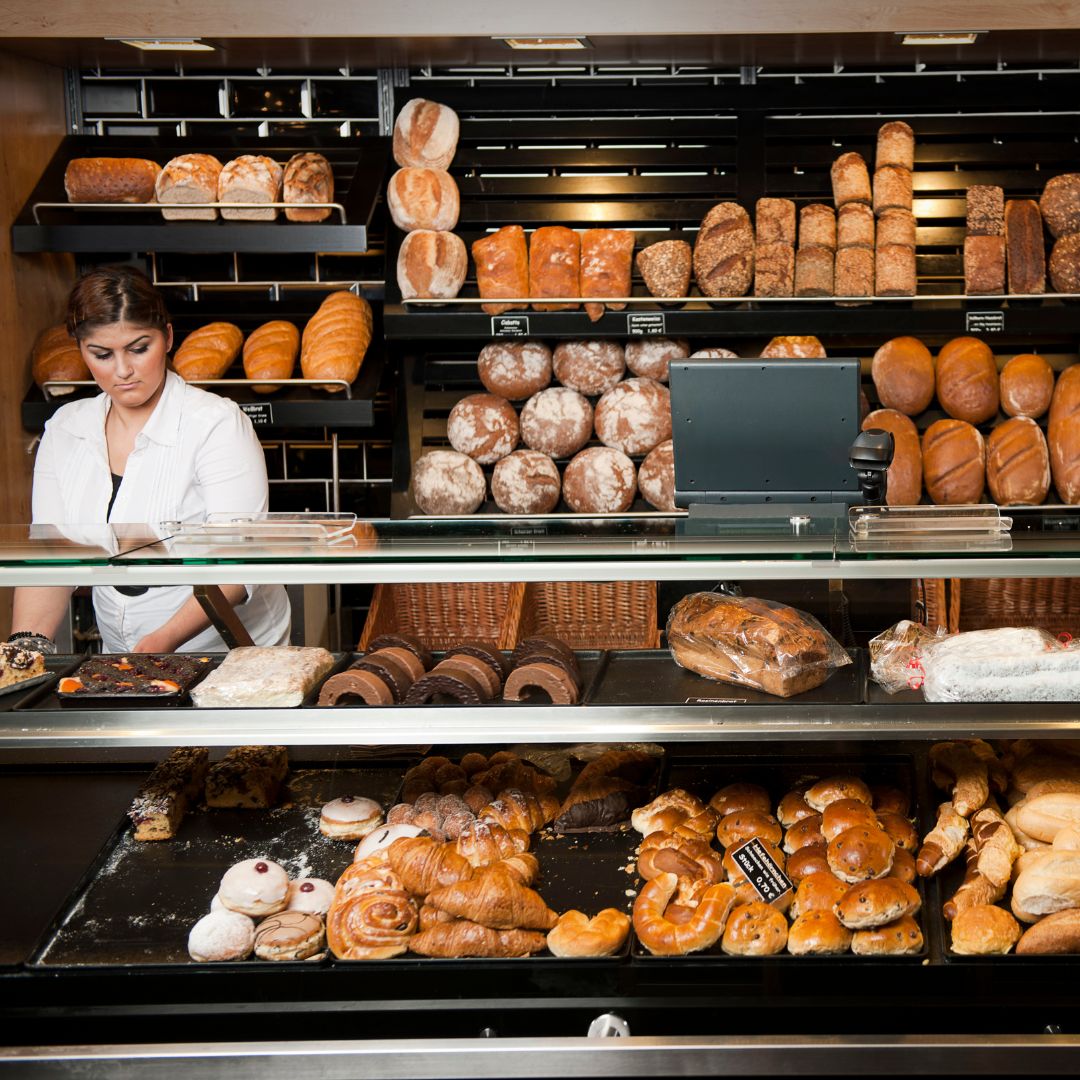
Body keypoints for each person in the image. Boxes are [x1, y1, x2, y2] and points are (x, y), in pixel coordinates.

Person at [11, 265, 291, 653]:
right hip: (124, 652)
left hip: (227, 652)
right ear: (81, 351)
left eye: (139, 348)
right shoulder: (64, 430)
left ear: (168, 337)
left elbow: (237, 568)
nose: (123, 370)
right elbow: (51, 558)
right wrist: (24, 649)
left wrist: (160, 643)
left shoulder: (217, 425)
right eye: (102, 354)